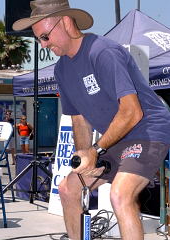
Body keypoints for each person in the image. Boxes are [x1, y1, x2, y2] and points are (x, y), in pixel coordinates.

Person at [13, 1, 170, 239]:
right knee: (68, 188)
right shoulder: (61, 70)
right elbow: (79, 118)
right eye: (39, 40)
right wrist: (84, 155)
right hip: (115, 141)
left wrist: (96, 149)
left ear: (65, 22)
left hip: (147, 131)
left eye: (45, 36)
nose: (44, 45)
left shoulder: (102, 52)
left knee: (120, 194)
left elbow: (132, 112)